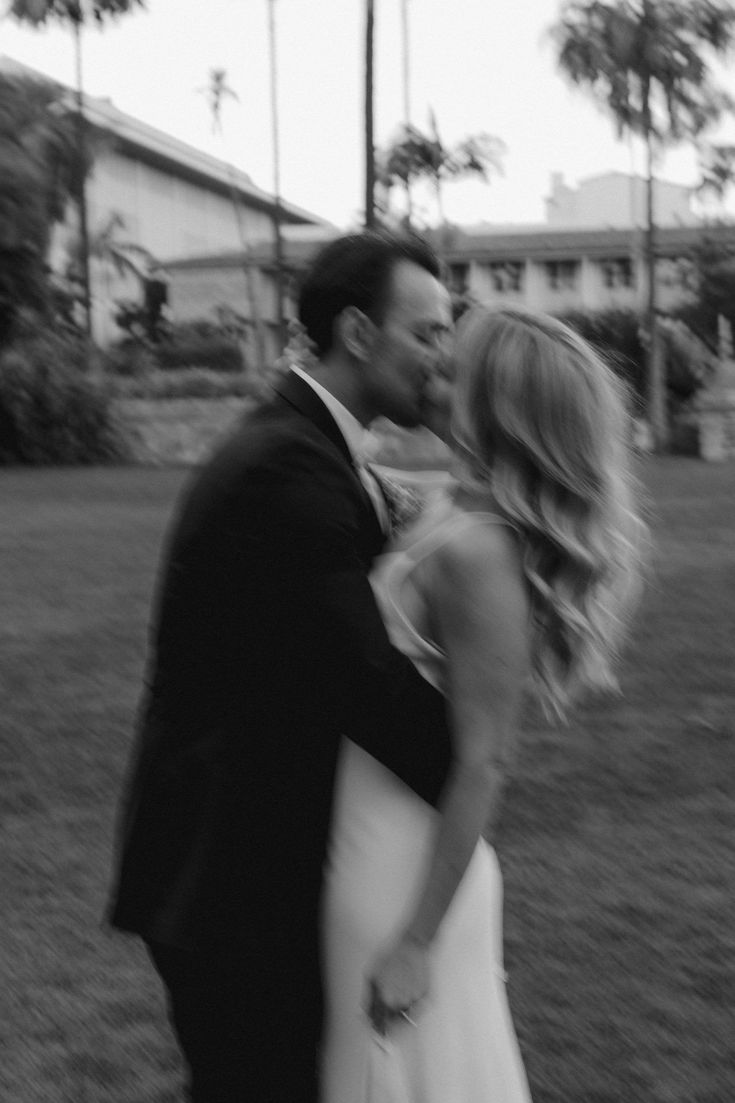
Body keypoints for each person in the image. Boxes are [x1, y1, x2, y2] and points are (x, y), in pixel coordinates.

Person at [107, 230, 455, 1103]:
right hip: (229, 880)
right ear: (357, 332)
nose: (442, 359)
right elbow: (365, 683)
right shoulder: (286, 469)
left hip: (240, 863)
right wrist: (478, 759)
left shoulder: (306, 446)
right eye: (429, 334)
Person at [320, 305, 646, 1102]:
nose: (433, 364)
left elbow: (484, 757)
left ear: (493, 402)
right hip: (363, 837)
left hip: (400, 870)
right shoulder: (454, 509)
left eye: (453, 361)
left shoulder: (479, 555)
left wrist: (416, 942)